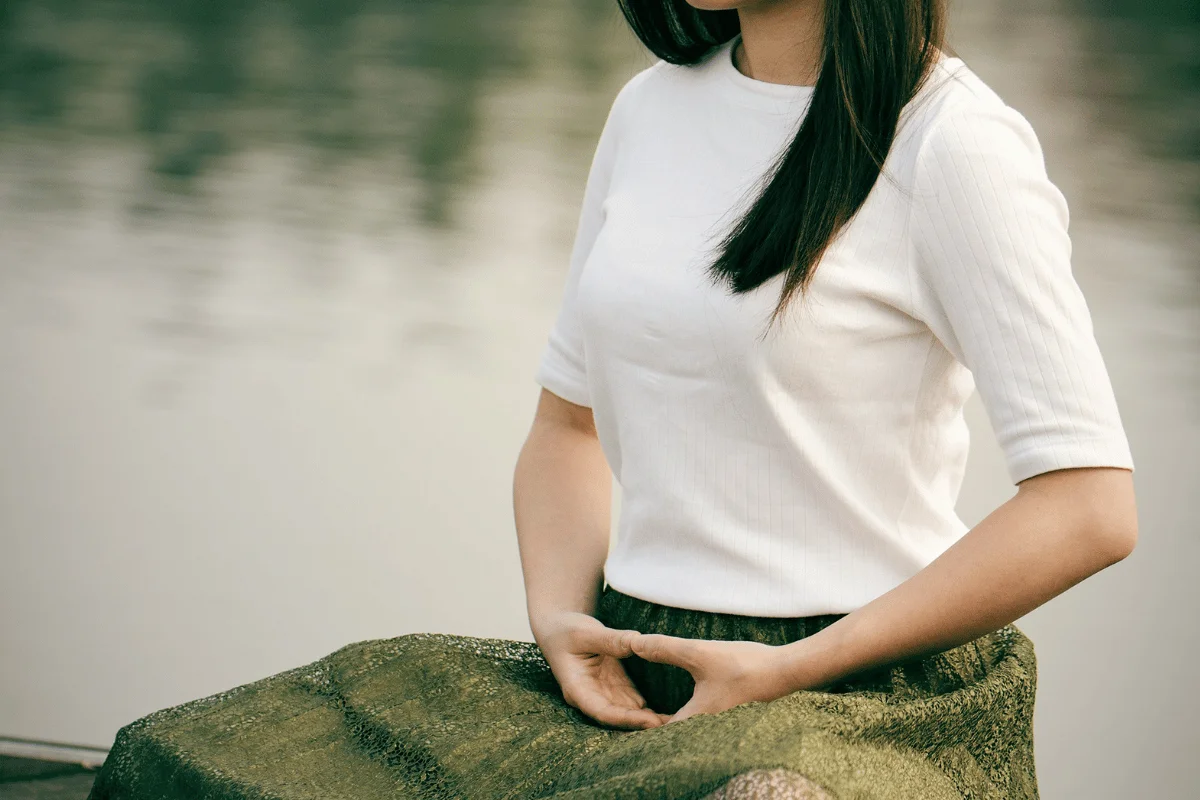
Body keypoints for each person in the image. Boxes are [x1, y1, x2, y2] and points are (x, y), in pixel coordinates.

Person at [88, 1, 1138, 798]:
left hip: (867, 694)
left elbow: (1089, 504)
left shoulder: (954, 143)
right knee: (175, 759)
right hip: (640, 666)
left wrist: (794, 667)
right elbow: (565, 427)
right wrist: (560, 617)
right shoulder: (652, 108)